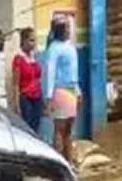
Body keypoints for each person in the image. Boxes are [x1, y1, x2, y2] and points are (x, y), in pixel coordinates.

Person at [42, 16, 80, 163]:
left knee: (69, 131)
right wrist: (49, 96)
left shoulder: (70, 47)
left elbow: (73, 72)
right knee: (59, 130)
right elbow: (50, 73)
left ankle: (68, 162)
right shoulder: (54, 49)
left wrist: (78, 91)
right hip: (60, 91)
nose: (69, 31)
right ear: (60, 30)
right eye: (67, 28)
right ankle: (57, 164)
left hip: (71, 90)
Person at [11, 27, 43, 132]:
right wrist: (16, 104)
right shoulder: (18, 59)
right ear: (24, 41)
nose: (34, 44)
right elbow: (15, 84)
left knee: (36, 127)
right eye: (31, 40)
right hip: (26, 98)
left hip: (37, 97)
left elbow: (38, 78)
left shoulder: (33, 57)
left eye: (35, 40)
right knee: (27, 128)